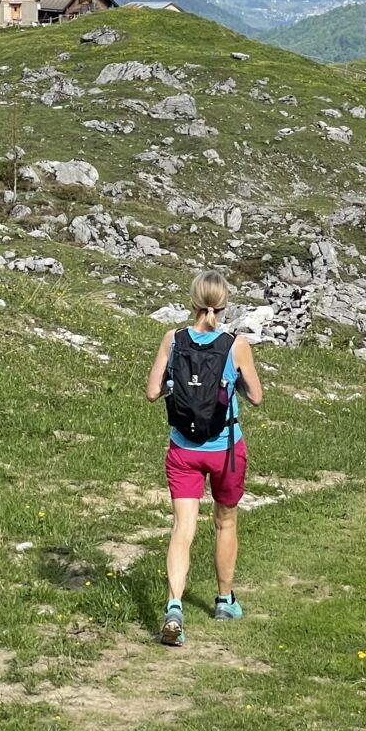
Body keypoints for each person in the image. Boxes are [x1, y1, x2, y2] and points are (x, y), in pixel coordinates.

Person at [144, 270, 263, 647]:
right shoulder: (235, 345)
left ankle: (174, 608)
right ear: (224, 304)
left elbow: (152, 392)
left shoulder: (173, 339)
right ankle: (225, 601)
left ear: (193, 300)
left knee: (183, 527)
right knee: (225, 521)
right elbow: (257, 397)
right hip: (225, 450)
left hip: (183, 449)